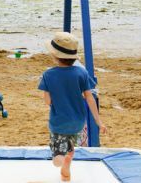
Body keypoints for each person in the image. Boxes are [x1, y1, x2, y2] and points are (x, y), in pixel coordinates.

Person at [38, 32, 107, 182]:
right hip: (78, 122)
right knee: (70, 148)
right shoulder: (81, 73)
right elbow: (90, 98)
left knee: (57, 157)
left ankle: (62, 163)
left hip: (59, 122)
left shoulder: (48, 75)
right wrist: (98, 122)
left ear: (54, 55)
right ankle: (66, 171)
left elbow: (48, 101)